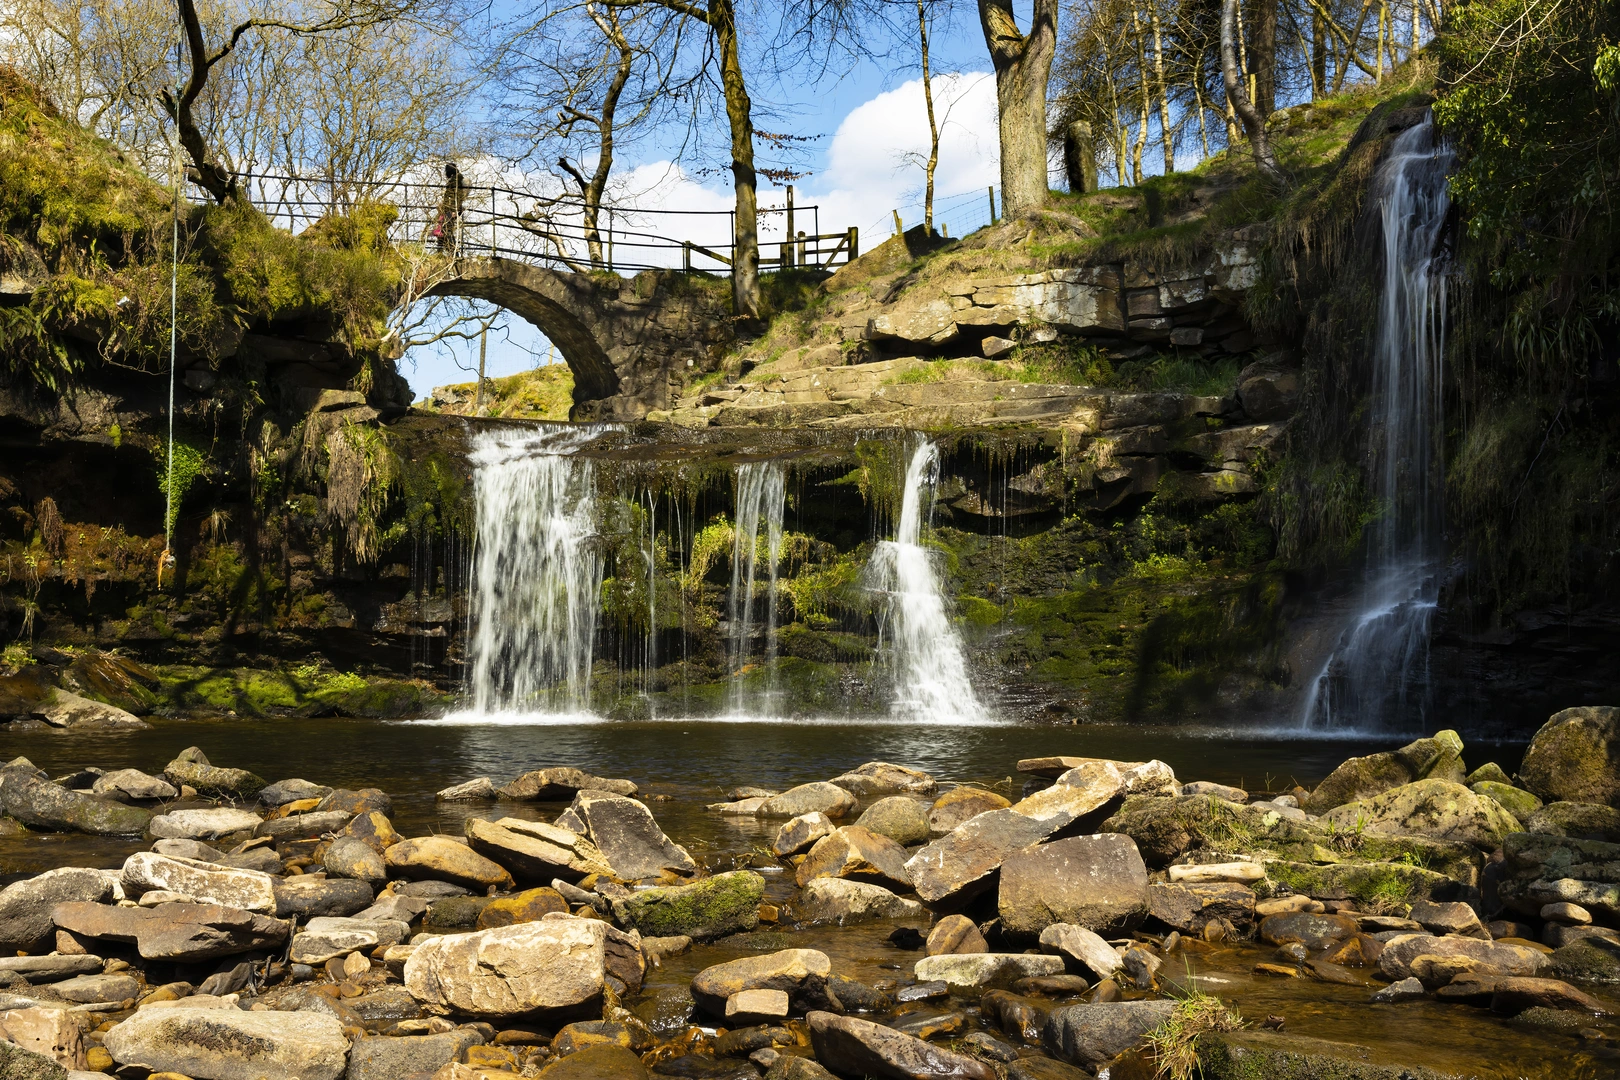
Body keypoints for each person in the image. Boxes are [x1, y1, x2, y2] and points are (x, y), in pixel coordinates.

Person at [429, 162, 468, 253]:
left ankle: (454, 254)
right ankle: (440, 252)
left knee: (447, 230)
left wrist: (454, 210)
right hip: (448, 208)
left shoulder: (456, 180)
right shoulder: (455, 179)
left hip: (451, 209)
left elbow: (457, 196)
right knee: (443, 229)